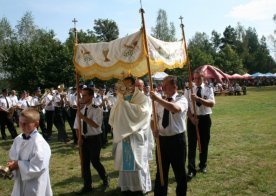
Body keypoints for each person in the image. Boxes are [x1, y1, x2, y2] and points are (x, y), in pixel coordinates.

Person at [109, 76, 152, 195]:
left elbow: (144, 113)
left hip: (136, 134)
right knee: (125, 162)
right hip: (124, 135)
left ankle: (139, 187)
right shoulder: (120, 97)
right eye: (124, 85)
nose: (126, 88)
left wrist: (125, 106)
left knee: (137, 163)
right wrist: (122, 105)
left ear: (134, 85)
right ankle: (126, 187)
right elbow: (114, 112)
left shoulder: (142, 97)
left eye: (128, 85)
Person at [150, 75, 188, 196]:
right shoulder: (158, 101)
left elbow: (175, 108)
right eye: (163, 84)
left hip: (177, 141)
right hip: (162, 141)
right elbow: (153, 119)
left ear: (175, 86)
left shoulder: (181, 99)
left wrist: (157, 99)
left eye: (166, 85)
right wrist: (153, 128)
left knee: (180, 173)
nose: (163, 87)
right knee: (161, 172)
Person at [7, 108, 52, 196]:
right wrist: (11, 166)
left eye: (26, 123)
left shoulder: (39, 143)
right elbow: (13, 156)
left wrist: (18, 164)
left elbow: (39, 167)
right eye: (20, 123)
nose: (22, 126)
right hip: (20, 180)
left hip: (34, 184)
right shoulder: (18, 139)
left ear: (36, 124)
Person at [75, 87, 109, 194]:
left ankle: (104, 178)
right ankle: (87, 185)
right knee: (84, 163)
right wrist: (79, 138)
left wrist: (83, 117)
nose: (82, 97)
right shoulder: (80, 111)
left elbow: (96, 125)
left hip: (94, 138)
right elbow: (77, 127)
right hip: (84, 139)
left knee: (95, 161)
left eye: (85, 95)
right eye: (82, 95)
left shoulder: (97, 109)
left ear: (91, 96)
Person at [185, 70, 215, 181]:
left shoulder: (208, 88)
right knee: (192, 144)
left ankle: (203, 165)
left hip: (205, 118)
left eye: (199, 78)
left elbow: (212, 104)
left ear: (203, 78)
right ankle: (191, 169)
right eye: (195, 78)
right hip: (192, 119)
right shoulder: (188, 90)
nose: (196, 80)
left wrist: (198, 99)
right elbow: (186, 106)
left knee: (204, 143)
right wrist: (191, 118)